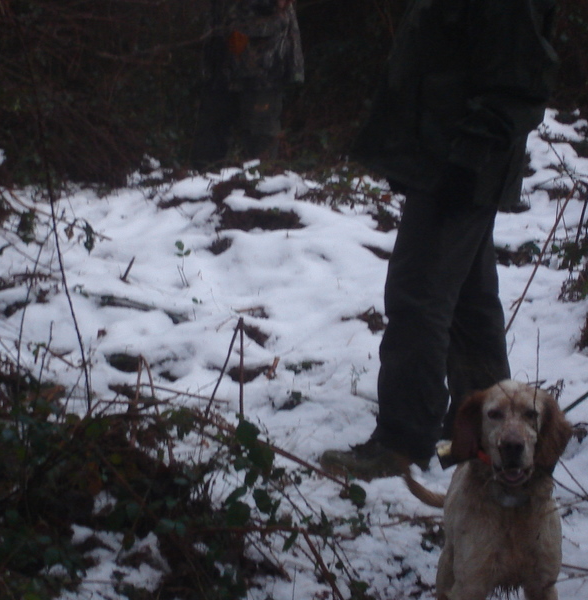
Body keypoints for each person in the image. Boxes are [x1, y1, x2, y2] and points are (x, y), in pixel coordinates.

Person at [320, 0, 559, 480]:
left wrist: (468, 157)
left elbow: (518, 79)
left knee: (417, 297)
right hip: (443, 156)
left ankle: (402, 443)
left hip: (461, 162)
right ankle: (483, 438)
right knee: (470, 305)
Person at [191, 0, 304, 169]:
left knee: (260, 137)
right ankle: (202, 182)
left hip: (263, 62)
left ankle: (261, 181)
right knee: (210, 136)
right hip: (221, 59)